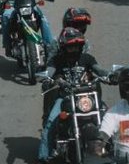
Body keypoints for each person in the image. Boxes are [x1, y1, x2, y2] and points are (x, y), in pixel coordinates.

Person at [38, 27, 111, 163]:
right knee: (50, 122)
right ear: (64, 47)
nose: (74, 50)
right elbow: (49, 71)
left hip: (87, 98)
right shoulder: (57, 60)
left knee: (108, 117)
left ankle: (114, 150)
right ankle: (43, 156)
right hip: (65, 98)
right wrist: (47, 78)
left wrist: (110, 75)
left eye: (77, 47)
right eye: (71, 47)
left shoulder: (87, 58)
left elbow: (98, 70)